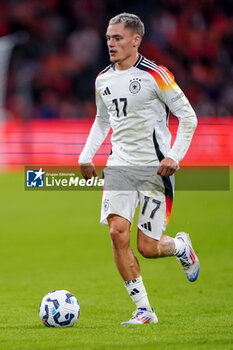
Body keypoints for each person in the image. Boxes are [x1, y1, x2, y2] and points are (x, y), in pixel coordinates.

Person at [79, 13, 199, 325]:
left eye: (117, 37)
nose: (110, 43)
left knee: (148, 247)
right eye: (108, 38)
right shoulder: (102, 79)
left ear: (136, 40)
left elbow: (188, 117)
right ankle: (144, 310)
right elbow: (102, 119)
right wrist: (86, 155)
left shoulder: (156, 75)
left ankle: (181, 247)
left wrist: (174, 155)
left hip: (154, 171)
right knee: (117, 233)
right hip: (119, 166)